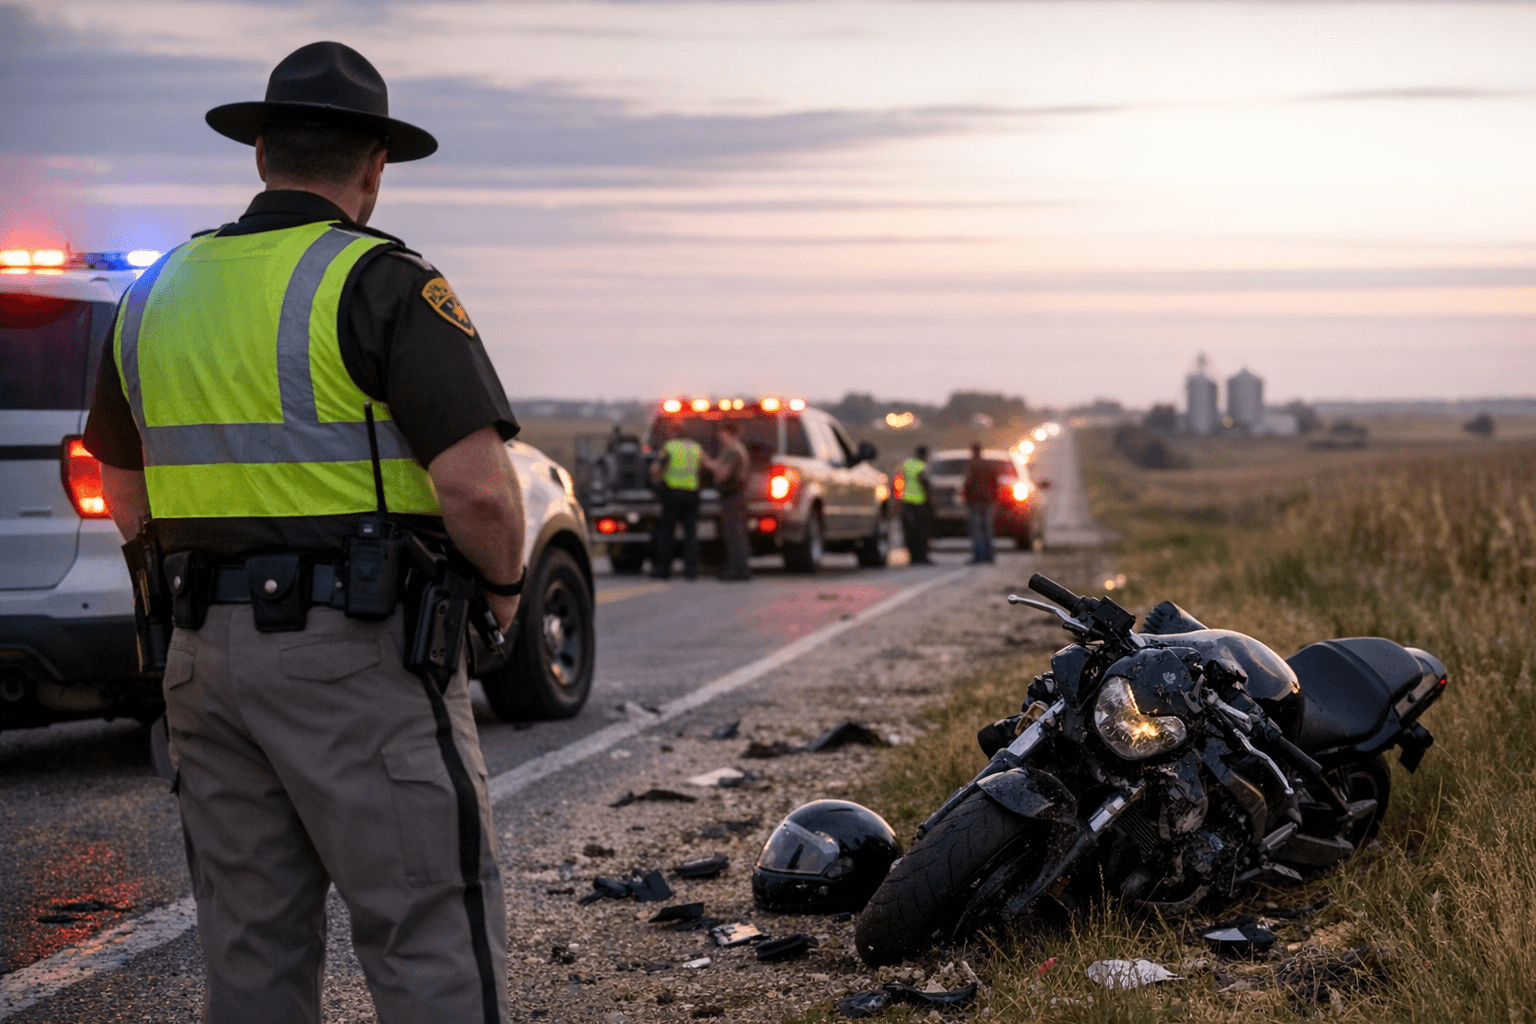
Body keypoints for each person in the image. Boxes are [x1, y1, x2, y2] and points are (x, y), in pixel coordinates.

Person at [82, 42, 520, 1024]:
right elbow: (480, 493)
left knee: (250, 949)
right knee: (427, 935)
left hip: (201, 658)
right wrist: (503, 593)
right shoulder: (384, 283)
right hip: (358, 659)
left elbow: (122, 488)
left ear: (261, 154)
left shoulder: (155, 291)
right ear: (374, 166)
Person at [650, 418, 703, 579]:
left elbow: (655, 469)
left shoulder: (669, 447)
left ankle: (664, 570)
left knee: (667, 533)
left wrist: (655, 483)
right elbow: (706, 465)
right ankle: (691, 571)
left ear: (672, 432)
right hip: (691, 494)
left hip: (672, 494)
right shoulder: (695, 447)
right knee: (691, 534)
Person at [704, 420, 752, 580]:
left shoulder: (733, 451)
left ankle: (738, 571)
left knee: (734, 535)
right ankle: (738, 569)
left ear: (727, 432)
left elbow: (722, 473)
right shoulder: (734, 449)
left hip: (733, 497)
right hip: (734, 496)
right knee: (735, 534)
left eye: (721, 432)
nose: (718, 436)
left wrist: (705, 462)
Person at [963, 442, 1002, 564]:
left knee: (977, 529)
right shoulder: (988, 465)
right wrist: (994, 498)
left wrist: (966, 497)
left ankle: (979, 555)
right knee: (987, 529)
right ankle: (989, 555)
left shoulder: (972, 464)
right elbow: (996, 482)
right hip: (988, 501)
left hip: (976, 501)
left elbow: (968, 482)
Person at [899, 444, 933, 565]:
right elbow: (925, 484)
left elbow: (900, 480)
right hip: (920, 503)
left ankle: (913, 557)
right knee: (922, 532)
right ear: (923, 455)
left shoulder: (907, 464)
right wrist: (932, 503)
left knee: (910, 532)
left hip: (907, 501)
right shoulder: (922, 466)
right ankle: (922, 557)